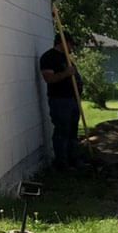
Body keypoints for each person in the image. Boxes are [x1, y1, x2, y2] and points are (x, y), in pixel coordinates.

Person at [39, 32, 83, 169]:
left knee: (73, 130)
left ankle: (73, 159)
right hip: (60, 100)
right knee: (62, 131)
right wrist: (66, 74)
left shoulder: (66, 58)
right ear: (63, 42)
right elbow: (49, 79)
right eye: (70, 44)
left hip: (73, 99)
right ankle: (61, 163)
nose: (72, 47)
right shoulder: (48, 58)